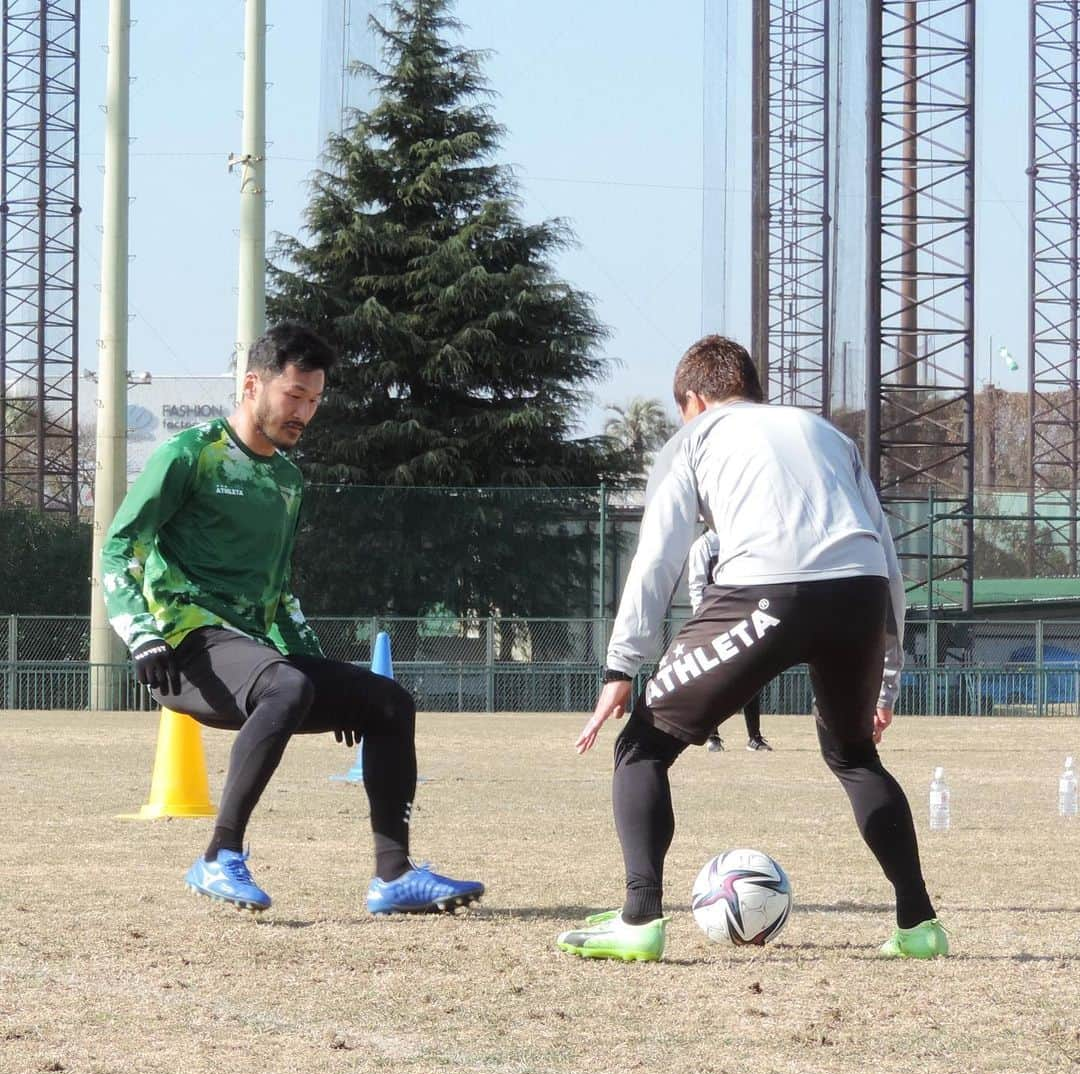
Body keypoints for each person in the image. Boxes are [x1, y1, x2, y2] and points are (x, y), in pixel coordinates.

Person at [556, 335, 946, 963]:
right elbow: (887, 555)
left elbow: (658, 555)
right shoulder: (829, 436)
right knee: (854, 758)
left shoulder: (696, 437)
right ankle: (919, 926)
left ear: (696, 400)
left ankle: (639, 920)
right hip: (860, 592)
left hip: (766, 591)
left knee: (643, 744)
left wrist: (621, 664)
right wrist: (889, 678)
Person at [101, 322, 484, 915]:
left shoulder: (286, 479)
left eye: (314, 400)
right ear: (253, 385)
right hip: (182, 645)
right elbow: (118, 548)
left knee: (387, 701)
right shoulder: (189, 455)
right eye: (294, 396)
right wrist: (141, 634)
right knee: (289, 684)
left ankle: (394, 876)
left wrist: (327, 670)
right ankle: (217, 856)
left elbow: (279, 593)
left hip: (252, 653)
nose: (303, 412)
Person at [687, 530, 771, 752]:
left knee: (750, 675)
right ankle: (712, 736)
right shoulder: (703, 545)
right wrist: (703, 619)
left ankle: (754, 737)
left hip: (744, 616)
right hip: (715, 618)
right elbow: (696, 586)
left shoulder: (742, 536)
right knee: (714, 677)